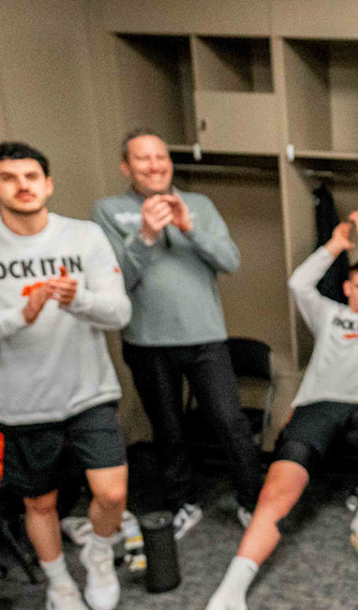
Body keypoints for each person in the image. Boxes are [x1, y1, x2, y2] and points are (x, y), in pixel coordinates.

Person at [178, 210, 358, 610]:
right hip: (316, 408)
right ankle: (227, 594)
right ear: (347, 289)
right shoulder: (328, 314)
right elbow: (299, 283)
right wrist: (336, 246)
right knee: (276, 494)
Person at [0, 141, 132, 610]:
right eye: (8, 178)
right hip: (21, 405)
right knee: (40, 504)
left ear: (48, 184)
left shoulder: (84, 236)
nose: (22, 186)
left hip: (89, 392)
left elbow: (119, 312)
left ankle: (99, 554)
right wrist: (17, 316)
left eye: (31, 176)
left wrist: (79, 299)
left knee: (112, 494)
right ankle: (60, 585)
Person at [93, 130, 262, 539]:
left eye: (161, 157)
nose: (154, 165)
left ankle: (254, 502)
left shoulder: (199, 204)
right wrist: (146, 236)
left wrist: (189, 228)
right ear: (126, 167)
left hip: (205, 336)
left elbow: (229, 260)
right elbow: (114, 279)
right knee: (167, 428)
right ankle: (182, 502)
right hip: (147, 341)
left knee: (230, 422)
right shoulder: (108, 210)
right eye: (143, 158)